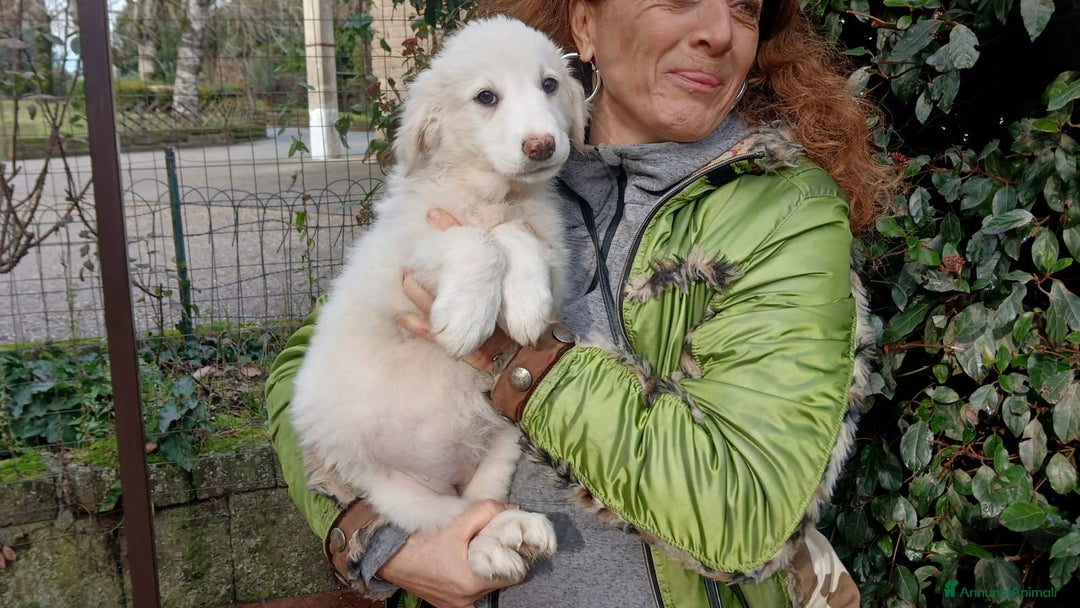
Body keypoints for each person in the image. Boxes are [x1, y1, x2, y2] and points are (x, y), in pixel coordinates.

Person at [265, 0, 898, 606]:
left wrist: (527, 363)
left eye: (745, 8)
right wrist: (380, 539)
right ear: (585, 26)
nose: (719, 32)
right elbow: (305, 366)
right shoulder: (488, 169)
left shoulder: (785, 211)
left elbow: (744, 516)